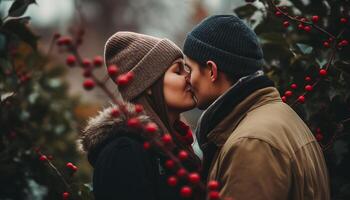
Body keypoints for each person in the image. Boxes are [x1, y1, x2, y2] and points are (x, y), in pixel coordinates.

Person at [183, 15, 330, 200]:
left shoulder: (251, 143)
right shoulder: (281, 116)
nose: (186, 78)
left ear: (212, 71)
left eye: (189, 69)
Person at [78, 32, 201, 200]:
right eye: (178, 71)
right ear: (149, 84)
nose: (189, 77)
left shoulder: (177, 145)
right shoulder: (123, 153)